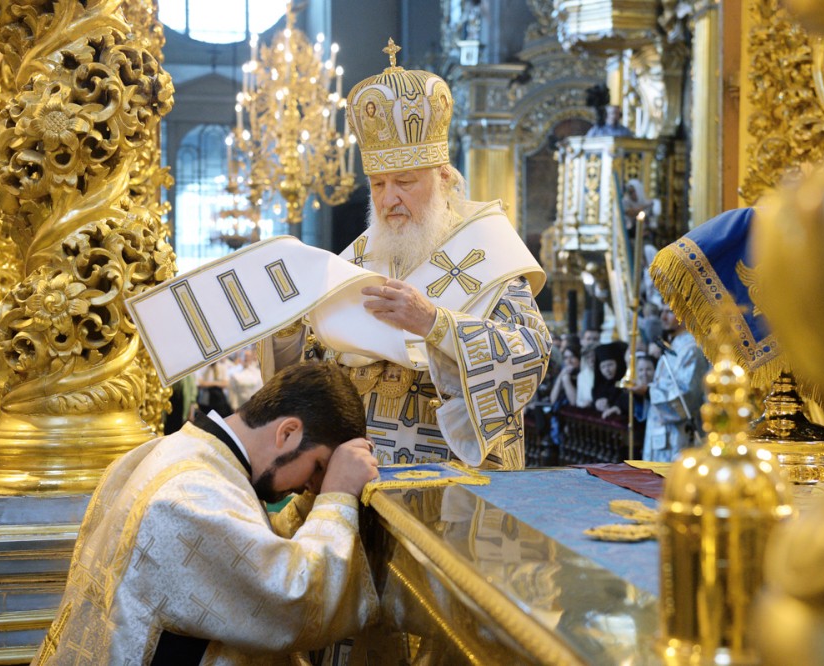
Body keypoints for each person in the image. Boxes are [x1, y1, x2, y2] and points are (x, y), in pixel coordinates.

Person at [263, 42, 552, 470]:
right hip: (358, 460)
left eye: (405, 181)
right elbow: (312, 367)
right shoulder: (358, 256)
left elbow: (531, 351)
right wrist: (286, 328)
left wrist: (435, 323)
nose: (389, 199)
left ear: (443, 178)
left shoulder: (488, 251)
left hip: (449, 462)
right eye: (378, 185)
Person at [33, 362, 380, 665]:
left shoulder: (178, 452)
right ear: (288, 432)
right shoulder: (192, 497)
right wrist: (337, 496)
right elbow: (292, 600)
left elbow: (248, 544)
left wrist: (313, 504)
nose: (310, 488)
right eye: (317, 467)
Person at [642, 307, 710, 462]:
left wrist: (648, 392)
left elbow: (687, 397)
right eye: (662, 312)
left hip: (680, 436)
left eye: (670, 312)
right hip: (662, 431)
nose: (663, 317)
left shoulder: (692, 349)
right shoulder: (673, 345)